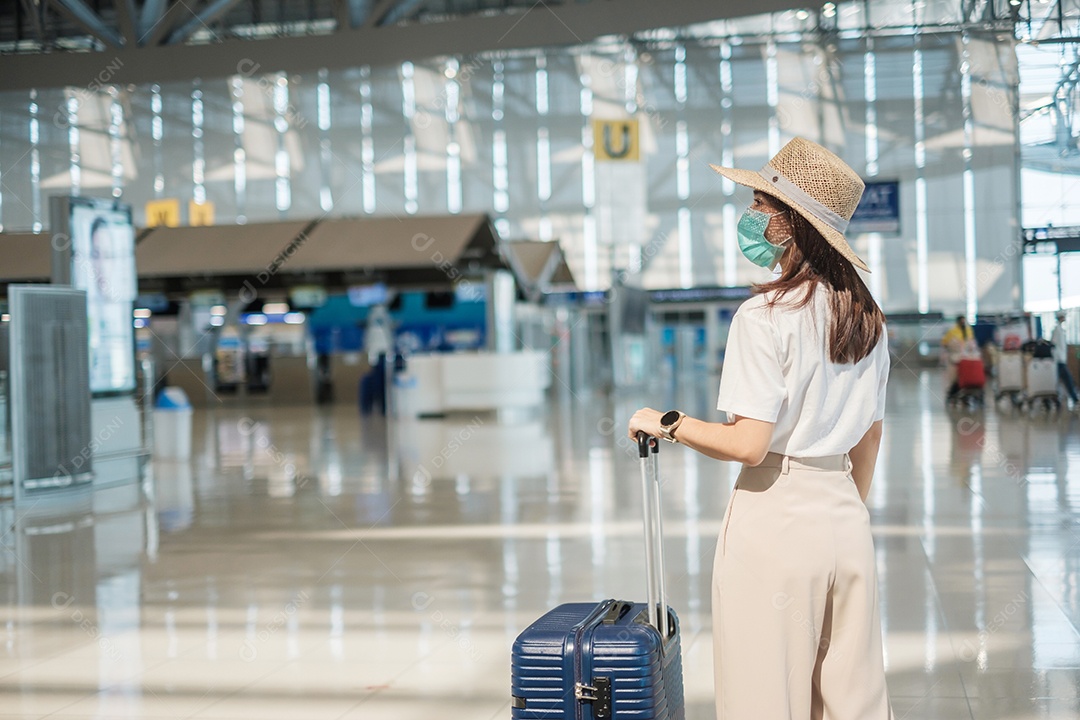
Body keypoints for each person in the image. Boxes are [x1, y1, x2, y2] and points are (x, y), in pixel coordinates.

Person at [628, 138, 893, 720]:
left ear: (791, 222)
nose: (751, 217)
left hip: (776, 521)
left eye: (760, 204)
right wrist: (845, 506)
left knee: (765, 698)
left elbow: (750, 445)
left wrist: (667, 423)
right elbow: (869, 437)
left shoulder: (764, 316)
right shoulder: (868, 319)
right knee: (853, 700)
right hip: (845, 518)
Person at [941, 315, 974, 401]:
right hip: (954, 358)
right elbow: (945, 343)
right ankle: (954, 392)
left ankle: (965, 391)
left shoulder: (968, 330)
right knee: (955, 377)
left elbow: (971, 344)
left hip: (966, 358)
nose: (963, 323)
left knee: (966, 375)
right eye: (961, 321)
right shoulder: (952, 331)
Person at [1050, 313, 1079, 408]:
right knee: (1065, 380)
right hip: (1058, 360)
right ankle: (1072, 399)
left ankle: (1073, 399)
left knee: (1065, 380)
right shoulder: (1056, 330)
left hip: (1061, 359)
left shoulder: (1061, 330)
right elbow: (1053, 345)